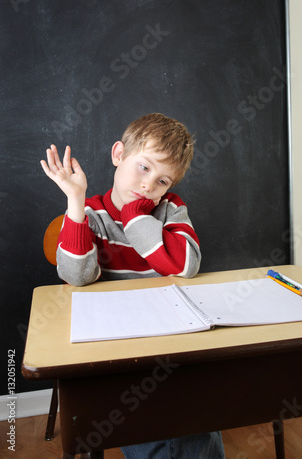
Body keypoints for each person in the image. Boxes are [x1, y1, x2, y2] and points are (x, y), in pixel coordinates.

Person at [41, 112, 225, 459]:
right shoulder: (92, 215)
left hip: (172, 336)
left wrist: (136, 216)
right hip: (116, 346)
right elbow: (76, 275)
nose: (148, 187)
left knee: (193, 407)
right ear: (118, 154)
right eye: (144, 168)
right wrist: (76, 202)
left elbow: (185, 264)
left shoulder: (170, 209)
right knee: (151, 416)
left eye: (162, 181)